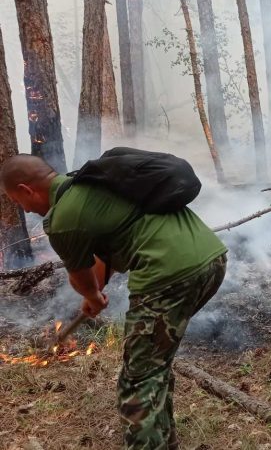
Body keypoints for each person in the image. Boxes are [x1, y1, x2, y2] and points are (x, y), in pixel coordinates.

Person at [0, 154, 228, 448]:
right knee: (152, 365)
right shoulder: (92, 183)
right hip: (211, 260)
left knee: (137, 381)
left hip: (169, 274)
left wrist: (92, 295)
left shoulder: (63, 219)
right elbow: (105, 256)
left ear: (27, 189)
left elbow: (81, 277)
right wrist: (94, 294)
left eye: (19, 201)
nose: (25, 209)